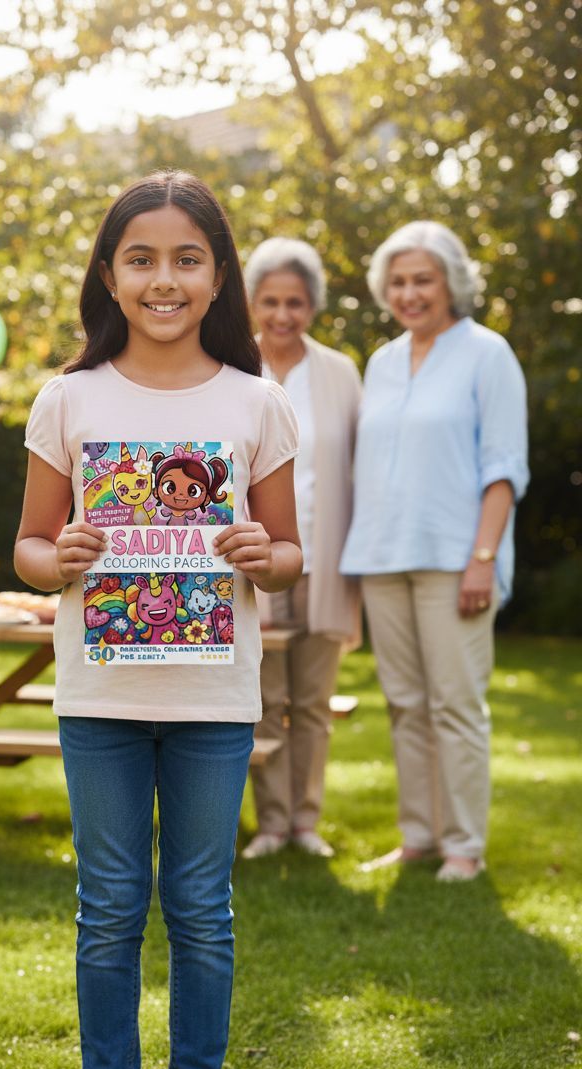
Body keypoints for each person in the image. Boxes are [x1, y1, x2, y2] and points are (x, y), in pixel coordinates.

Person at [14, 172, 302, 1069]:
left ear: (216, 275)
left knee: (199, 907)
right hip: (98, 692)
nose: (163, 278)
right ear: (109, 274)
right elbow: (29, 549)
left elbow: (292, 552)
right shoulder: (70, 397)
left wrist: (264, 550)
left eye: (186, 258)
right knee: (108, 907)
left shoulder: (253, 400)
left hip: (213, 694)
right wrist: (67, 558)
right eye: (141, 258)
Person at [340, 221, 529, 882]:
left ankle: (463, 846)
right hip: (384, 554)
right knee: (405, 703)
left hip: (456, 557)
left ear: (451, 281)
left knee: (454, 703)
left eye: (422, 279)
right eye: (397, 281)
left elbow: (503, 468)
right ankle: (418, 836)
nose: (409, 293)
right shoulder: (383, 362)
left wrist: (484, 557)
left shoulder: (488, 353)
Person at [240, 238, 362, 860]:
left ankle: (306, 822)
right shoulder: (232, 366)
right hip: (254, 562)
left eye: (295, 302)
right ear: (252, 303)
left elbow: (356, 468)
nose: (283, 315)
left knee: (312, 700)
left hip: (325, 557)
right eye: (271, 301)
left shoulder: (340, 372)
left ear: (312, 305)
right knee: (263, 699)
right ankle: (272, 823)